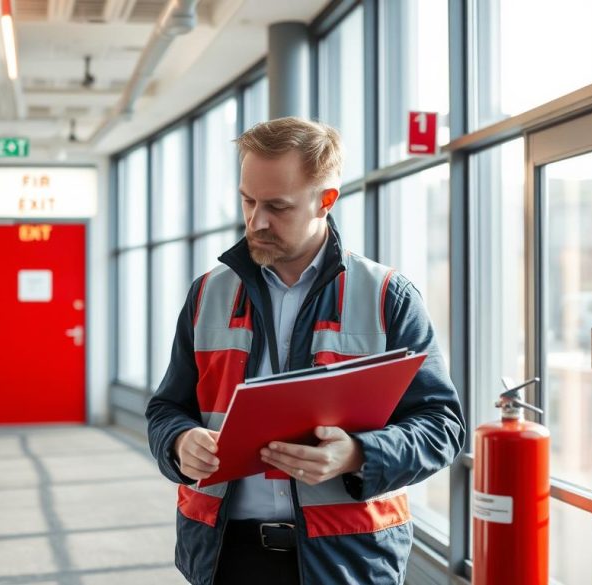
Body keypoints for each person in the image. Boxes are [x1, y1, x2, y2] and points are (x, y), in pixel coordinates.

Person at [145, 117, 465, 585]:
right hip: (223, 558)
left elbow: (443, 427)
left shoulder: (387, 297)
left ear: (326, 201)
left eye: (277, 206)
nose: (256, 220)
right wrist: (177, 441)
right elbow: (166, 408)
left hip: (346, 560)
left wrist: (358, 454)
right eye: (248, 200)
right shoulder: (207, 293)